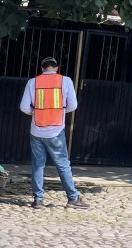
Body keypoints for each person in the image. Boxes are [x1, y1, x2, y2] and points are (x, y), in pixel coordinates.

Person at [19, 56, 87, 209]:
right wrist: (59, 113)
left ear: (42, 68)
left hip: (37, 130)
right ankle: (73, 198)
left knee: (37, 165)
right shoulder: (66, 81)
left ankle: (38, 200)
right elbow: (73, 105)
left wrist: (36, 113)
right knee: (63, 164)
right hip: (56, 130)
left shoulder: (33, 82)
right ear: (56, 68)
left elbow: (24, 107)